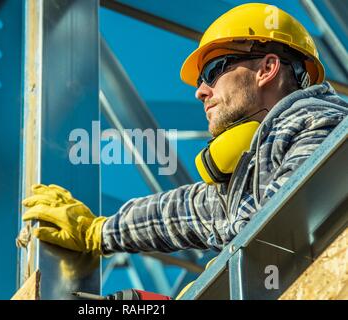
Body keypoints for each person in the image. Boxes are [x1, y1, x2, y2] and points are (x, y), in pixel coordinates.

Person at [21, 3, 347, 272]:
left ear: (267, 68)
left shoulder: (321, 123)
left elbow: (276, 229)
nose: (200, 91)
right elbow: (180, 212)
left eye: (213, 71)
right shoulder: (249, 176)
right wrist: (96, 232)